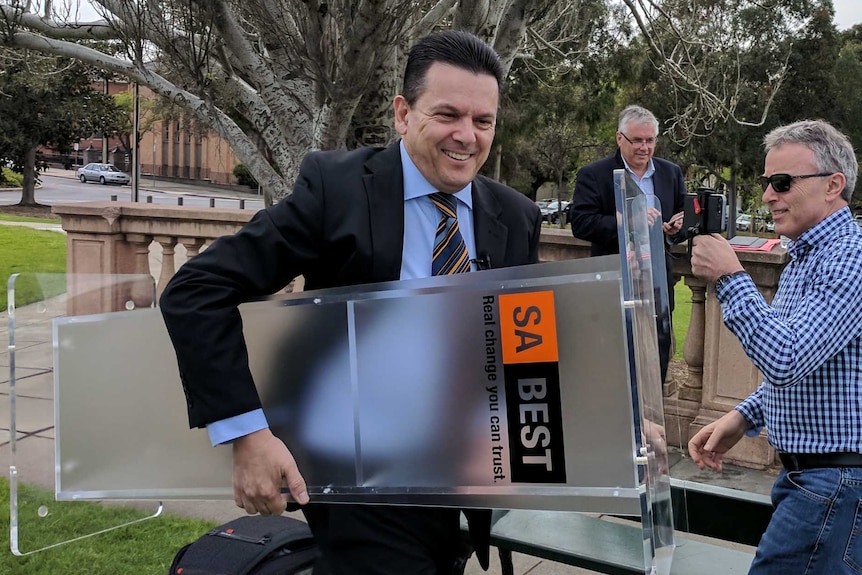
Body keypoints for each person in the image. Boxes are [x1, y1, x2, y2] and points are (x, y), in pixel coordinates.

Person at [159, 30, 542, 575]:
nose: (467, 136)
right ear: (403, 114)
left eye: (483, 122)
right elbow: (197, 291)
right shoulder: (335, 189)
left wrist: (612, 422)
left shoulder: (515, 217)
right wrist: (248, 435)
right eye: (448, 115)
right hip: (360, 476)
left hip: (462, 482)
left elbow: (518, 345)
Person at [688, 119, 862, 574]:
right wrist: (744, 415)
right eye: (767, 182)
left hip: (832, 483)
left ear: (833, 185)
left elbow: (785, 358)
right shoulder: (808, 256)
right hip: (815, 480)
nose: (768, 194)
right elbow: (814, 369)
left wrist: (729, 276)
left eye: (782, 182)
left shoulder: (850, 257)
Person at [569, 105, 686, 383]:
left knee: (655, 359)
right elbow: (580, 223)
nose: (644, 147)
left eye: (650, 140)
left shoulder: (671, 173)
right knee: (609, 361)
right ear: (620, 138)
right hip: (613, 282)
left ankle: (649, 425)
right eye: (637, 140)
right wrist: (626, 220)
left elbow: (680, 223)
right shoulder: (594, 174)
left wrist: (672, 229)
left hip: (657, 283)